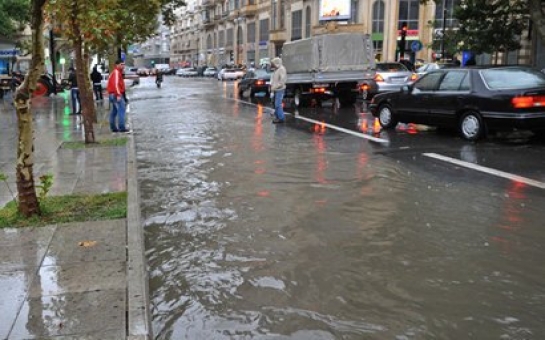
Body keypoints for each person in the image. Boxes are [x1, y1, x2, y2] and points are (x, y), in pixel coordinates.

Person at [107, 60, 131, 133]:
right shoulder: (116, 73)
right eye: (121, 64)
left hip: (112, 94)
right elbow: (116, 84)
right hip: (116, 94)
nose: (123, 66)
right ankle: (122, 127)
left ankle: (113, 128)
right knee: (121, 110)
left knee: (114, 111)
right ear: (116, 65)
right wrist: (118, 95)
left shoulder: (114, 73)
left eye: (123, 64)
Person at [270, 57, 287, 124]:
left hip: (280, 89)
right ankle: (277, 117)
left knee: (278, 104)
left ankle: (281, 118)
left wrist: (274, 87)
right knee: (275, 104)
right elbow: (274, 80)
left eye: (273, 63)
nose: (272, 65)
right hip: (276, 90)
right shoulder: (276, 69)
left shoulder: (281, 69)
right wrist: (272, 88)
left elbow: (282, 81)